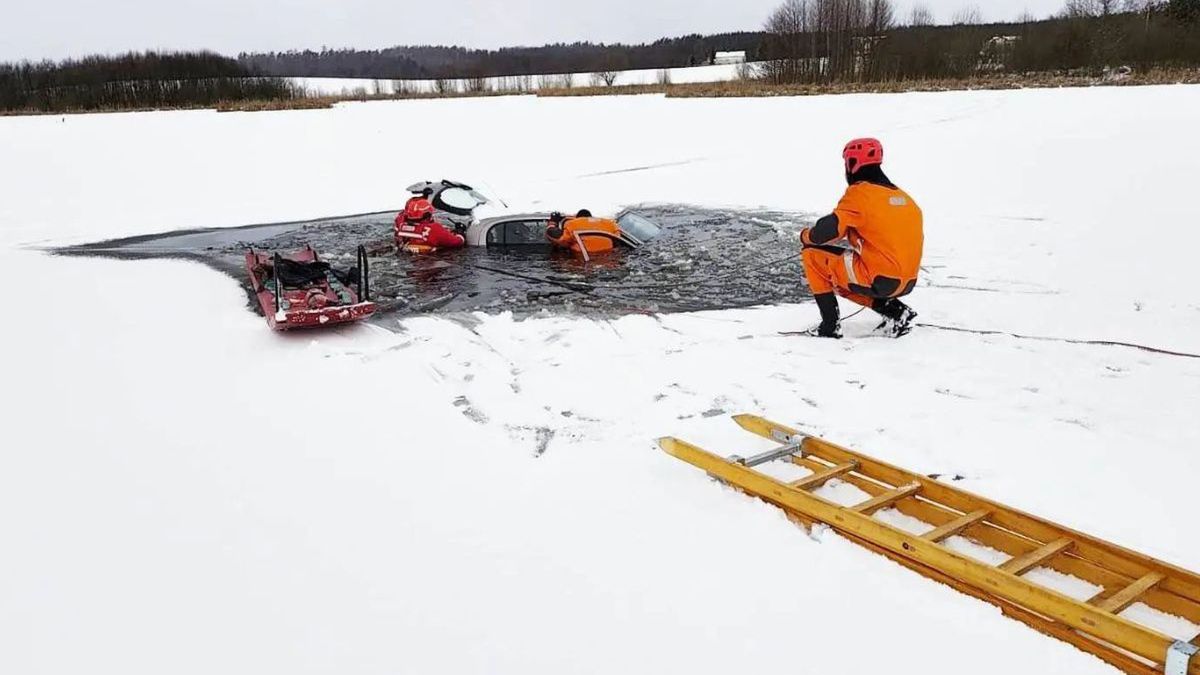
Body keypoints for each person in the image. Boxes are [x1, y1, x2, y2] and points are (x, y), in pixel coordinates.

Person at [799, 138, 923, 338]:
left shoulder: (860, 194)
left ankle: (830, 326)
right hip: (907, 281)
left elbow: (828, 231)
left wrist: (806, 236)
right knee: (841, 274)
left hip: (879, 279)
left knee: (812, 256)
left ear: (851, 164)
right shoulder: (905, 199)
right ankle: (897, 312)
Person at [394, 197, 465, 254]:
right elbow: (457, 242)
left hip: (407, 257)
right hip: (431, 262)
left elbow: (401, 216)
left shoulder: (401, 225)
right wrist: (460, 232)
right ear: (427, 215)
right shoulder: (434, 229)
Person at [545, 210, 622, 257]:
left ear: (578, 218)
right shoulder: (609, 223)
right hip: (608, 260)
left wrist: (552, 223)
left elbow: (562, 240)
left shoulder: (572, 224)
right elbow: (618, 239)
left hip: (581, 259)